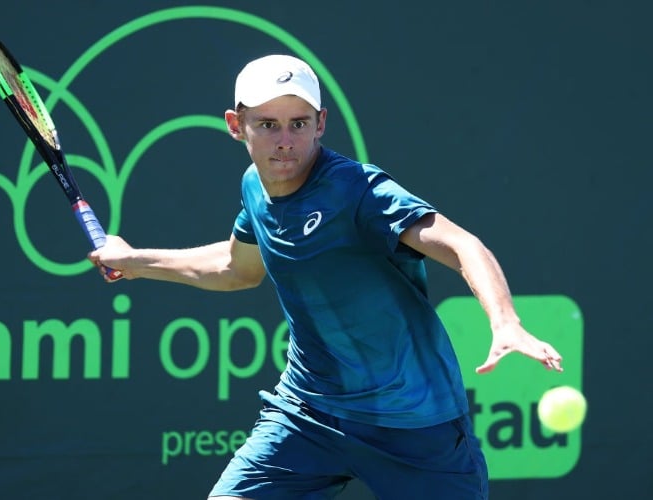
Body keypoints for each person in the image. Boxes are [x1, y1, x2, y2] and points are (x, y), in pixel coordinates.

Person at [88, 54, 563, 500]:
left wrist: (505, 322)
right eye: (268, 125)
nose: (285, 141)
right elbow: (237, 268)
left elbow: (462, 245)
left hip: (415, 424)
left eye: (298, 124)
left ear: (320, 123)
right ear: (237, 126)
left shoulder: (359, 191)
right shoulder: (255, 187)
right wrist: (134, 261)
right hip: (310, 414)